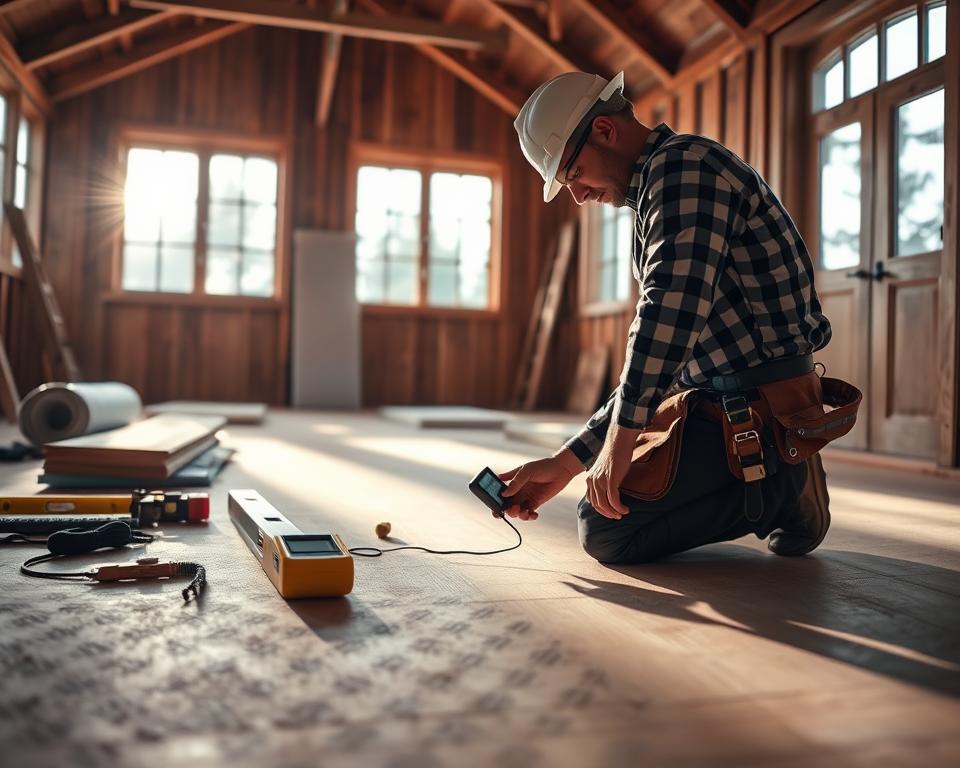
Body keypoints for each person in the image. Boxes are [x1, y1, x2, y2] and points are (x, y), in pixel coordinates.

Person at [502, 71, 839, 564]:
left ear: (604, 130)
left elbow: (667, 311)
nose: (578, 195)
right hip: (720, 398)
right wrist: (568, 460)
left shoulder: (684, 169)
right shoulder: (662, 183)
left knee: (605, 528)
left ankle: (782, 488)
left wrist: (621, 444)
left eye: (574, 173)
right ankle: (777, 478)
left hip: (761, 405)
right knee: (604, 515)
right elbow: (666, 355)